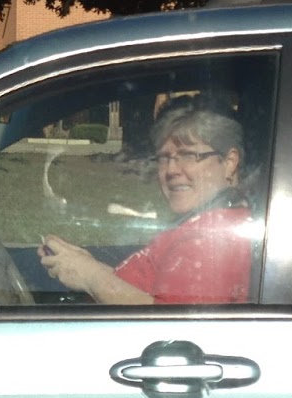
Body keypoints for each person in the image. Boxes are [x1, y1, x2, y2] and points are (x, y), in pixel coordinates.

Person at [39, 101, 255, 304]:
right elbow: (151, 296)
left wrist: (92, 277)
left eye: (188, 155)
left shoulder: (211, 240)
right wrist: (87, 266)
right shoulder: (211, 223)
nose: (171, 170)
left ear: (229, 163)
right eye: (164, 158)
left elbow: (173, 324)